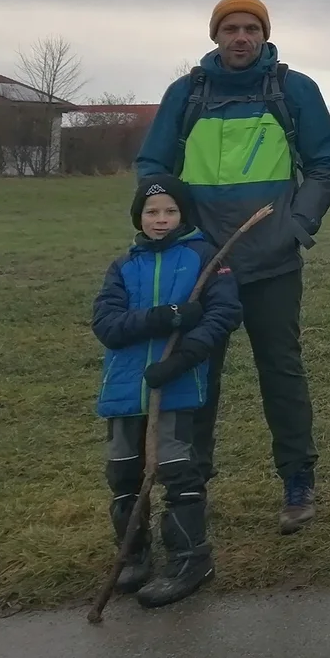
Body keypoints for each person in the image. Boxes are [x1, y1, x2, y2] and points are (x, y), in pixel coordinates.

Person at [135, 0, 330, 533]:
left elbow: (325, 164)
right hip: (201, 269)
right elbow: (154, 167)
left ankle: (298, 480)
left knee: (282, 373)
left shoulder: (294, 90)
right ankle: (191, 485)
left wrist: (297, 225)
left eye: (252, 28)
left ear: (265, 35)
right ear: (215, 36)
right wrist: (178, 234)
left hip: (273, 264)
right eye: (231, 29)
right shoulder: (185, 95)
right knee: (197, 376)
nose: (242, 37)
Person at [92, 176, 243, 607]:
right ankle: (134, 555)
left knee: (179, 472)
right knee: (123, 472)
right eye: (152, 212)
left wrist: (184, 356)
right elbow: (106, 324)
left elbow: (224, 313)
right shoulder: (123, 266)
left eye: (171, 211)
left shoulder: (204, 258)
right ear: (138, 216)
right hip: (125, 390)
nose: (161, 220)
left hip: (178, 385)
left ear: (184, 215)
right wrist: (163, 317)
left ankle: (191, 559)